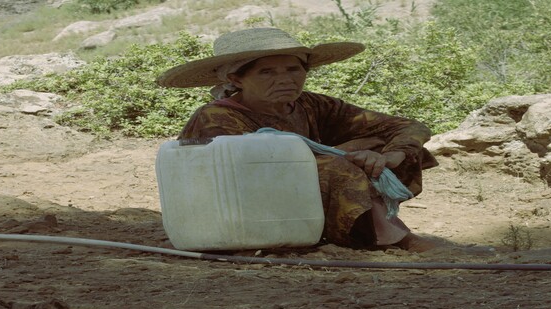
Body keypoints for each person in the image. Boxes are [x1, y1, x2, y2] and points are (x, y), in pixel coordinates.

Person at [157, 28, 440, 252]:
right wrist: (344, 152)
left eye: (294, 69)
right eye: (266, 72)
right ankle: (395, 239)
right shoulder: (215, 116)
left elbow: (407, 126)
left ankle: (357, 229)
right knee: (337, 167)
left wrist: (392, 155)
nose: (285, 80)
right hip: (244, 210)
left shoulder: (311, 105)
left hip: (296, 200)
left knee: (391, 147)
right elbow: (250, 173)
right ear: (237, 79)